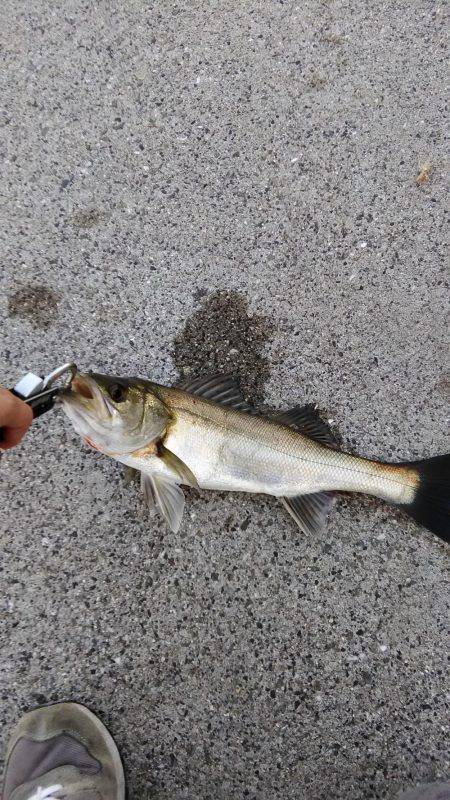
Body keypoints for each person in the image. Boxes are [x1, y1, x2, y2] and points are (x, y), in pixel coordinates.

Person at [1, 389, 448, 799]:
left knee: (380, 481)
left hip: (264, 460)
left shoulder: (158, 441)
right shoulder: (146, 444)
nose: (102, 400)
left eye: (118, 396)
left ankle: (406, 484)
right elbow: (160, 471)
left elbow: (169, 473)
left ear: (154, 415)